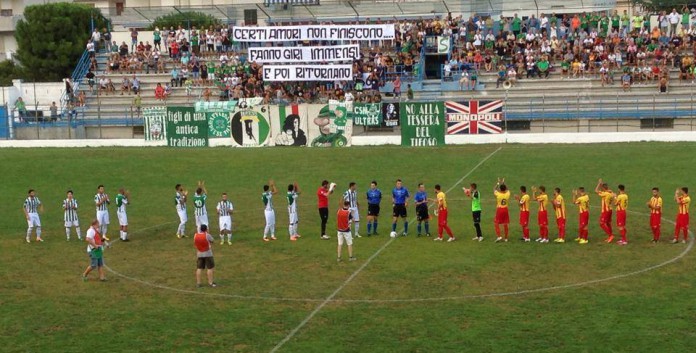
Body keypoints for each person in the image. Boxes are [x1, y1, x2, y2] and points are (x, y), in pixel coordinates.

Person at [595, 179, 615, 243]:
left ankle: (610, 235)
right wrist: (602, 184)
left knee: (602, 223)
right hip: (610, 209)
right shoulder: (610, 192)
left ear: (603, 188)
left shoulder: (605, 194)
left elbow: (596, 190)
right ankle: (610, 236)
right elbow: (604, 189)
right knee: (608, 223)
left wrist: (598, 184)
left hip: (605, 211)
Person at [493, 178, 510, 242]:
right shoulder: (507, 194)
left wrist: (498, 183)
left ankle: (499, 236)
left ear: (500, 189)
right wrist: (503, 183)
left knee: (496, 223)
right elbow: (508, 189)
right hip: (505, 209)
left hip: (500, 209)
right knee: (505, 223)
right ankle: (506, 238)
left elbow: (494, 189)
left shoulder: (498, 194)